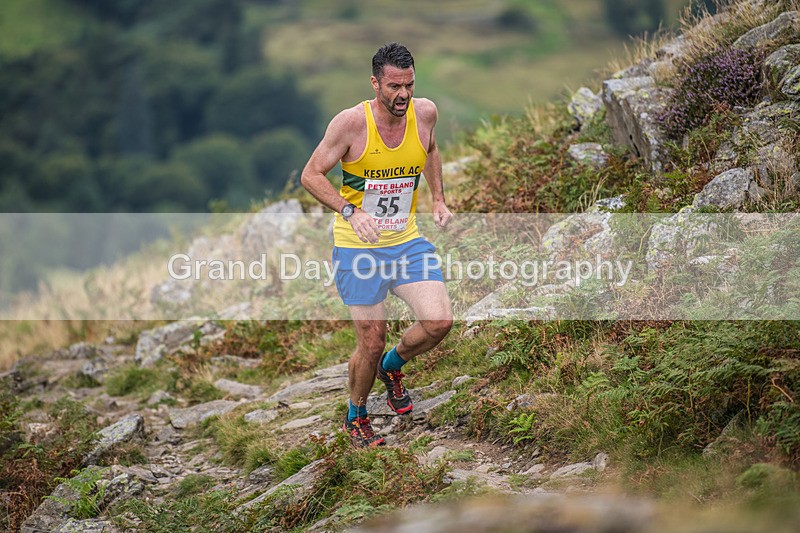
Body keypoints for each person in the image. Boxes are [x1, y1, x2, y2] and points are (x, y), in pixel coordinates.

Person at [300, 42, 453, 447]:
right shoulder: (351, 124)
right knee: (370, 339)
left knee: (439, 323)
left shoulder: (425, 113)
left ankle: (393, 366)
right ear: (375, 83)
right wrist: (351, 212)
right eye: (393, 87)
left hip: (405, 243)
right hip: (357, 248)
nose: (403, 95)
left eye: (409, 85)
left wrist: (437, 197)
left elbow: (432, 149)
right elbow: (311, 175)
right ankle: (357, 414)